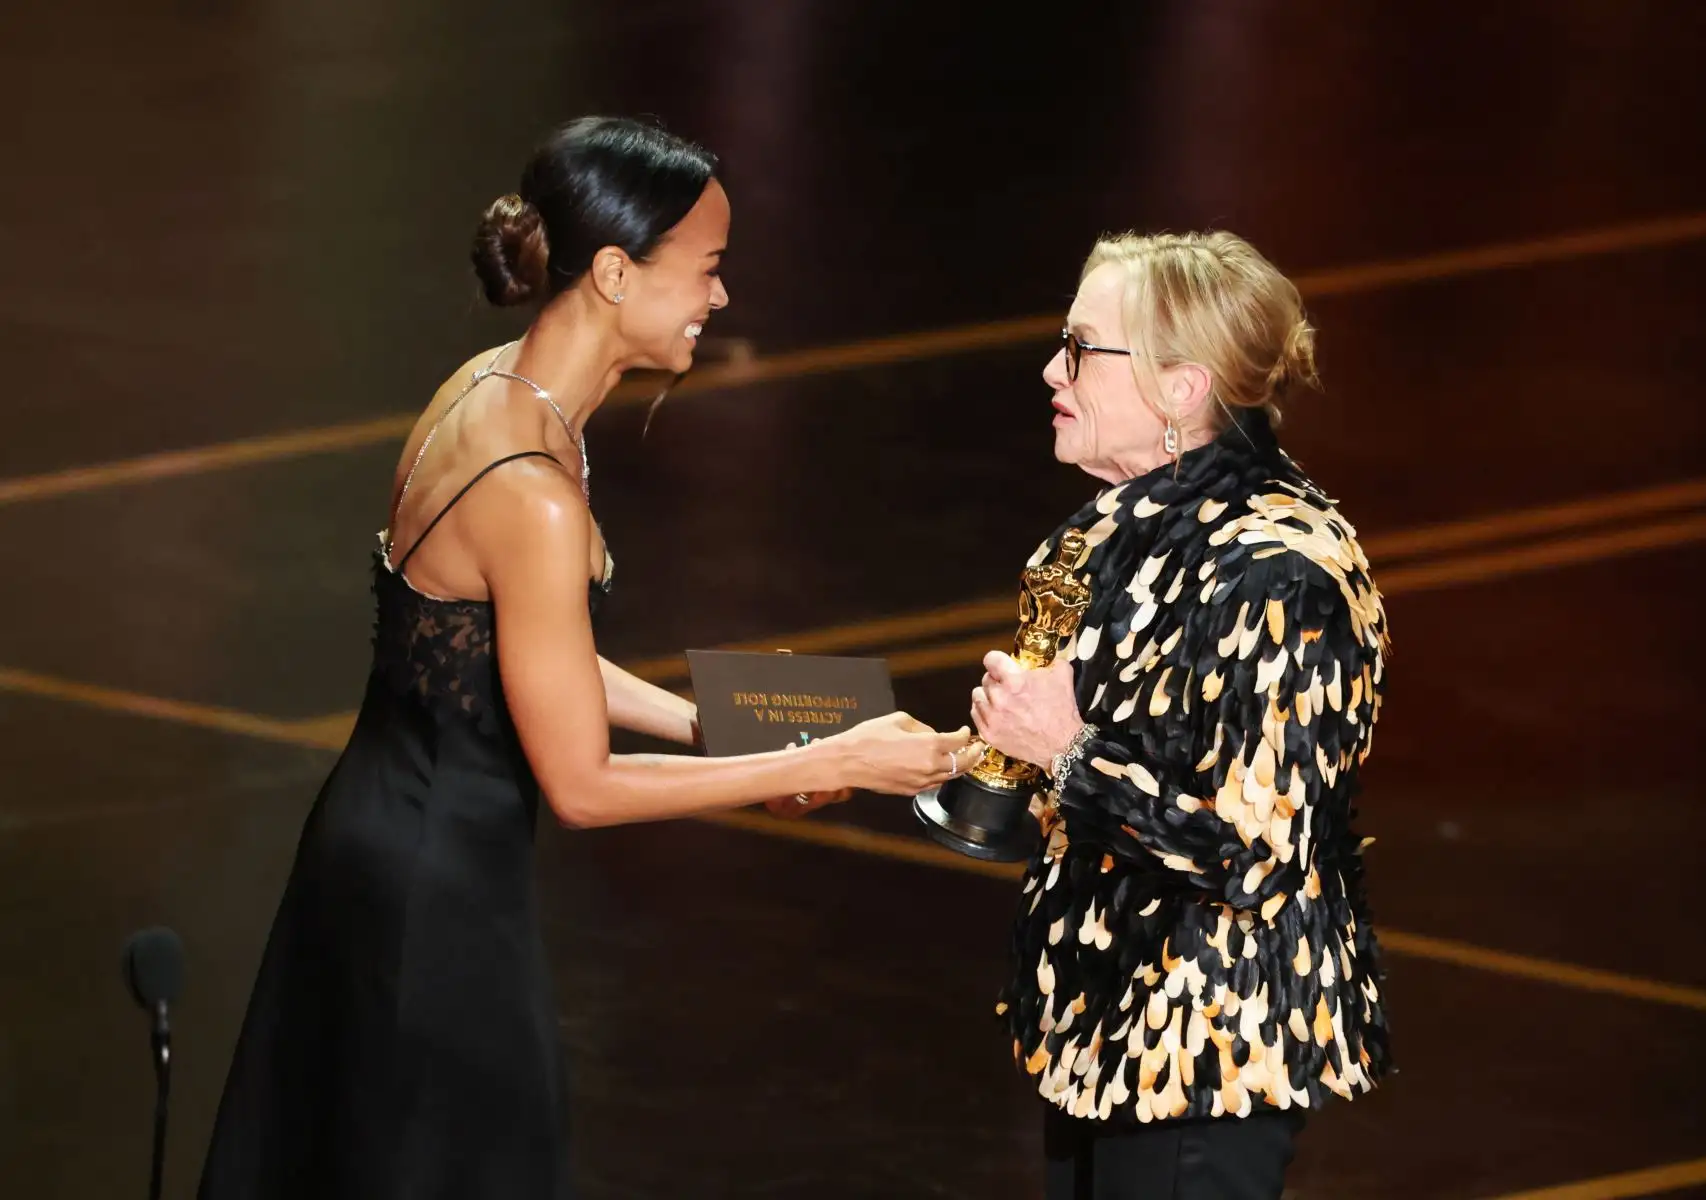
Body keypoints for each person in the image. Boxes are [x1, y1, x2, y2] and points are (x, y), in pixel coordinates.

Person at [196, 116, 981, 1199]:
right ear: (616, 273)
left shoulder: (493, 391)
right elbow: (581, 784)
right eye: (706, 269)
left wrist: (726, 723)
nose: (720, 298)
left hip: (389, 846)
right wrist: (803, 766)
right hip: (436, 897)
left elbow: (523, 656)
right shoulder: (534, 491)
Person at [970, 231, 1391, 1199]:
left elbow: (1250, 849)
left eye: (1080, 348)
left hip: (1203, 1048)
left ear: (1181, 389)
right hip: (1108, 1025)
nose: (1051, 370)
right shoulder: (1121, 527)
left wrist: (1067, 755)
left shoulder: (1281, 574)